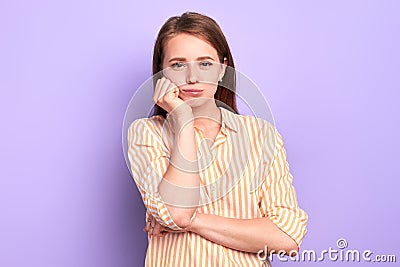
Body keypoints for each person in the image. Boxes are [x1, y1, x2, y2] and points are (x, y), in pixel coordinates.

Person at [127, 11, 308, 266]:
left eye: (205, 63)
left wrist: (195, 220)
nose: (192, 77)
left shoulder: (260, 135)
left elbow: (286, 236)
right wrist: (183, 118)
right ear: (162, 74)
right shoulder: (146, 134)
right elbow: (178, 213)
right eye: (178, 64)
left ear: (222, 68)